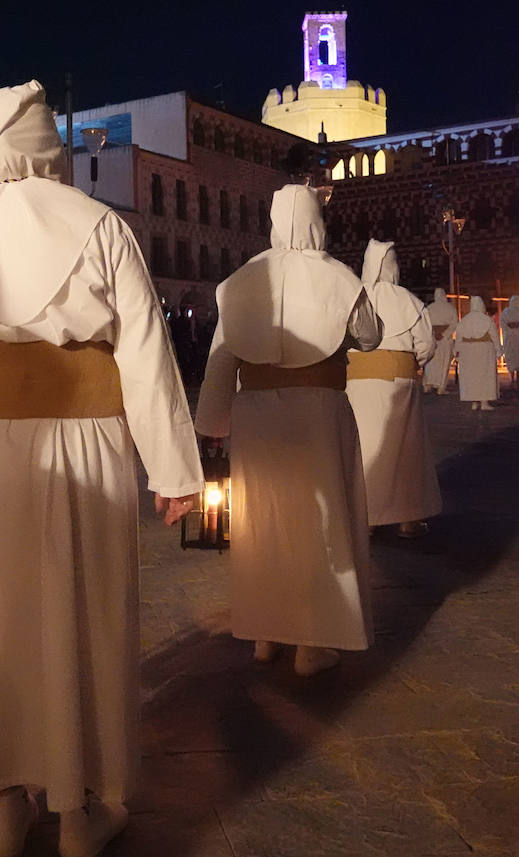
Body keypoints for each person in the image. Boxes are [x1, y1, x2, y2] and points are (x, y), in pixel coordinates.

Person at [0, 81, 202, 857]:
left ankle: (6, 803)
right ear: (51, 148)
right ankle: (77, 812)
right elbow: (145, 355)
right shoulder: (100, 225)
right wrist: (173, 467)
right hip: (83, 444)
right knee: (84, 613)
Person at [197, 183, 380, 679]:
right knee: (320, 523)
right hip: (318, 411)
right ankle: (312, 644)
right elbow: (370, 335)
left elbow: (221, 355)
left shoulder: (240, 281)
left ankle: (265, 633)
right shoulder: (337, 276)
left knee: (265, 524)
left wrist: (212, 425)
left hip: (256, 415)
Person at [344, 239, 439, 540]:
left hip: (356, 387)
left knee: (365, 452)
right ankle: (407, 520)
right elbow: (426, 345)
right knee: (405, 453)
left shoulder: (353, 298)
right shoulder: (408, 301)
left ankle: (367, 517)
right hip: (399, 385)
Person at [456, 295, 500, 411]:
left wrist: (456, 352)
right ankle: (484, 402)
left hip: (467, 351)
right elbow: (494, 336)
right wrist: (499, 351)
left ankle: (474, 402)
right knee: (484, 375)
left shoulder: (464, 320)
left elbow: (459, 337)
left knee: (472, 376)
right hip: (484, 350)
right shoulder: (487, 320)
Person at [421, 288, 457, 394]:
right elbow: (454, 323)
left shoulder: (429, 308)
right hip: (445, 340)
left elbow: (425, 323)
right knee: (444, 362)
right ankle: (441, 386)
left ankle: (428, 384)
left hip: (433, 338)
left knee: (430, 362)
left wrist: (434, 333)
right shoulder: (450, 308)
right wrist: (445, 334)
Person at [499, 294, 519, 387]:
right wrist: (516, 329)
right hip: (516, 336)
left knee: (518, 355)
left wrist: (511, 329)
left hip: (514, 336)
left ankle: (516, 376)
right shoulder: (509, 312)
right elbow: (502, 322)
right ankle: (514, 376)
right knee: (514, 355)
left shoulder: (506, 312)